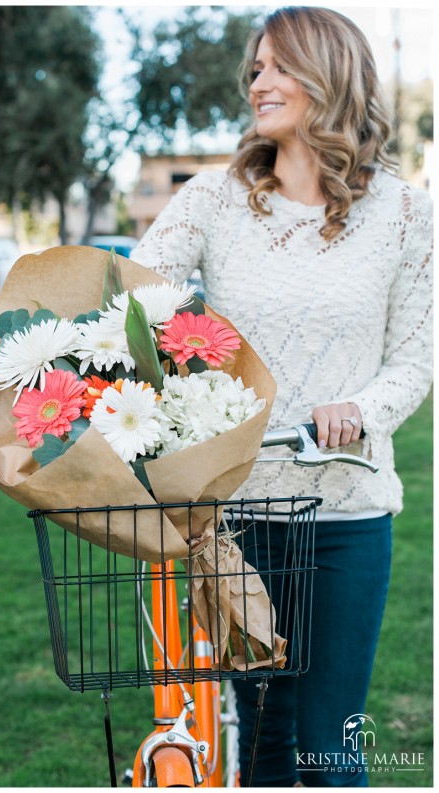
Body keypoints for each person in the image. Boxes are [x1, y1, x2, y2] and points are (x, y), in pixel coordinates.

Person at [130, 5, 433, 787]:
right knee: (263, 744)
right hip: (237, 521)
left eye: (277, 66)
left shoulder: (403, 212)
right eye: (255, 68)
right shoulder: (213, 199)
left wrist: (360, 411)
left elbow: (416, 357)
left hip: (345, 513)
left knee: (329, 749)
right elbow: (129, 302)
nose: (257, 82)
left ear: (328, 76)